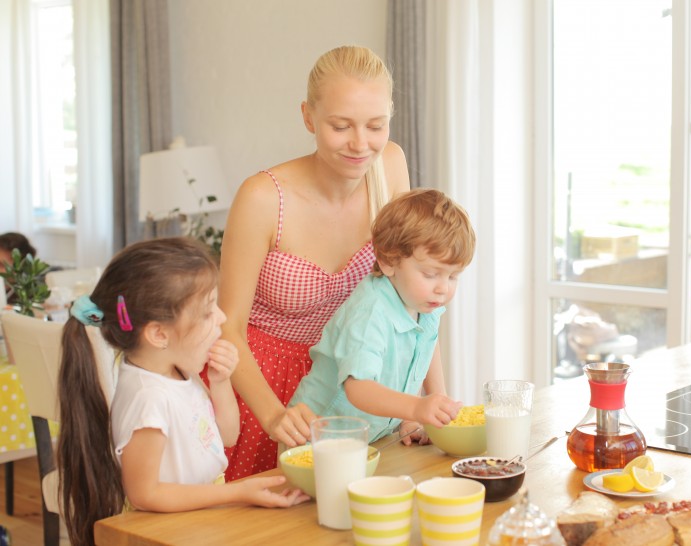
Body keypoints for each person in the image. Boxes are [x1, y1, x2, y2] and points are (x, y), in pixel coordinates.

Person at [218, 45, 411, 480]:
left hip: (353, 380)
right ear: (308, 117)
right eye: (340, 126)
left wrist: (422, 400)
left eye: (376, 125)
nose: (361, 144)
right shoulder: (263, 198)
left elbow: (412, 296)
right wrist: (272, 416)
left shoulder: (390, 166)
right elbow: (228, 328)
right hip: (261, 388)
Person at [57, 238, 309, 546]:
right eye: (207, 312)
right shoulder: (148, 399)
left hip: (200, 517)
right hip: (164, 531)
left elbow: (226, 436)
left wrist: (220, 382)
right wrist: (235, 492)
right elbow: (144, 493)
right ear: (159, 334)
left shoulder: (180, 372)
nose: (222, 318)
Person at [289, 188, 475, 443]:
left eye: (453, 276)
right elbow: (359, 388)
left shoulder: (423, 302)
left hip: (368, 438)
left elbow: (427, 346)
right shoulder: (369, 313)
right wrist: (416, 407)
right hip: (313, 440)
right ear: (388, 262)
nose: (443, 288)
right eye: (431, 274)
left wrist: (431, 412)